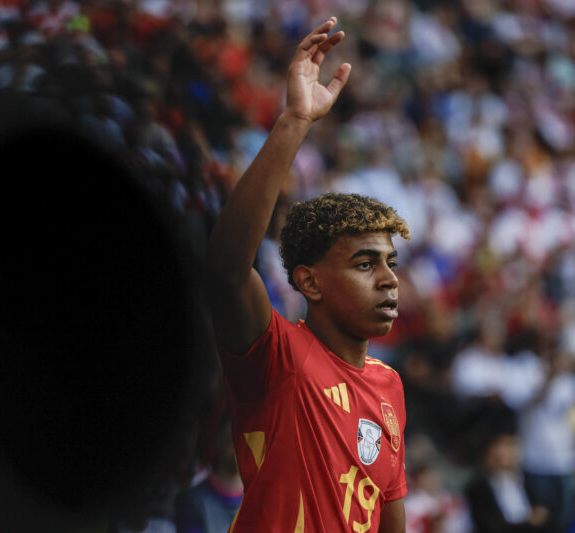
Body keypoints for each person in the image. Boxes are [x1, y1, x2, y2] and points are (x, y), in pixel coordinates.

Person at [205, 17, 409, 533]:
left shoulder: (390, 388)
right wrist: (296, 119)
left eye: (391, 262)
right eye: (365, 263)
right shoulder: (278, 359)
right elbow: (227, 271)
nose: (388, 279)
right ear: (310, 282)